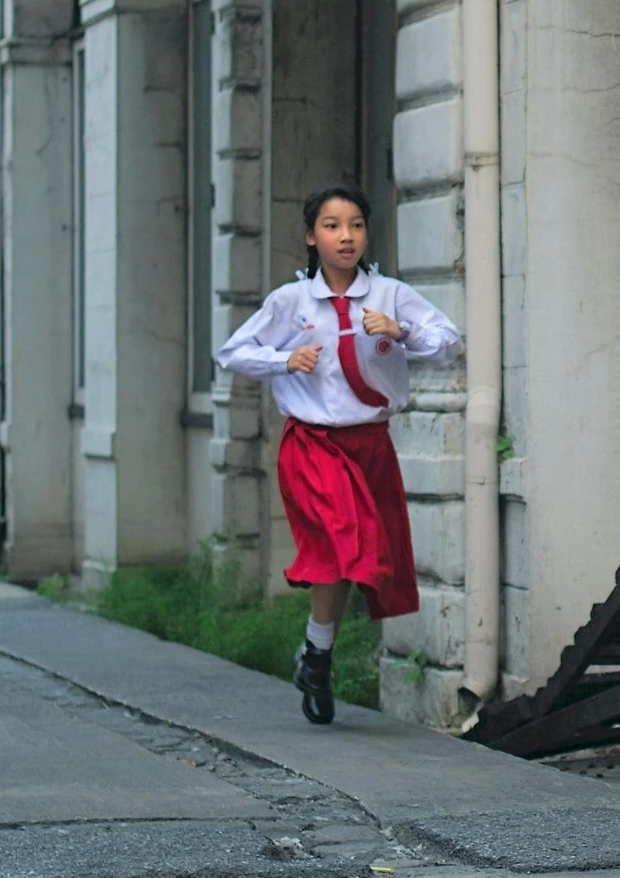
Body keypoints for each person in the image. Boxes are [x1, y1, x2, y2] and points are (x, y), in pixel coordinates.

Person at [216, 186, 462, 725]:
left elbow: (449, 342)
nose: (345, 236)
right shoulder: (292, 302)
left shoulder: (390, 295)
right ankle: (318, 657)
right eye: (331, 225)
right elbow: (233, 351)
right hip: (313, 444)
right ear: (311, 237)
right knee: (343, 547)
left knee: (357, 559)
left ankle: (316, 657)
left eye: (354, 225)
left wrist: (404, 332)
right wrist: (284, 360)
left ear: (366, 235)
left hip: (370, 445)